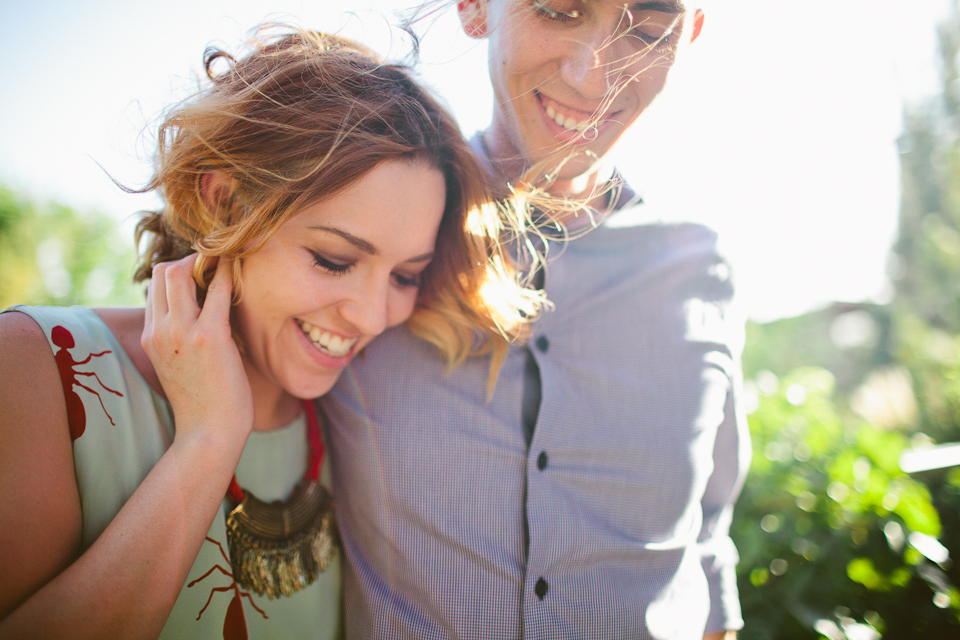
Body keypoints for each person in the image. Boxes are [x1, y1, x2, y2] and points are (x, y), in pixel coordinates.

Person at [0, 27, 539, 639]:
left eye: (404, 276)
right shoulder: (34, 367)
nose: (368, 317)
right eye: (335, 260)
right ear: (227, 203)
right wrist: (208, 438)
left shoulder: (360, 418)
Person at [321, 1, 749, 638]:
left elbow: (708, 544)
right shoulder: (365, 246)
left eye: (651, 31)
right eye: (559, 10)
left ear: (689, 34)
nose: (594, 76)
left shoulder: (702, 271)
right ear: (473, 8)